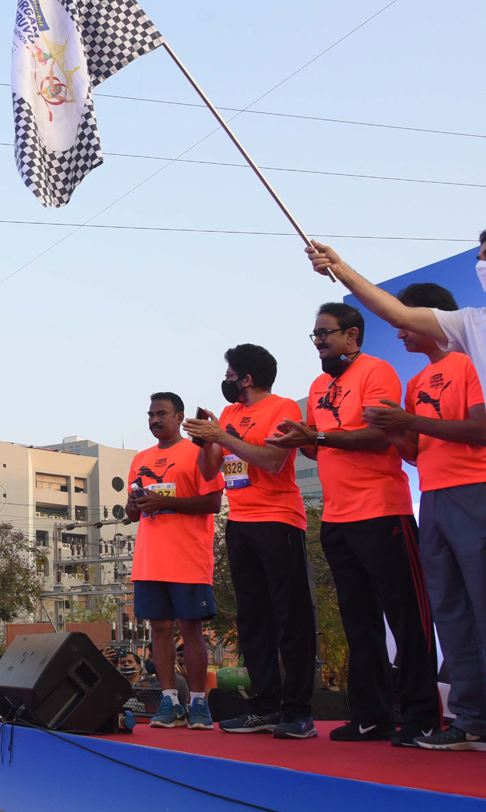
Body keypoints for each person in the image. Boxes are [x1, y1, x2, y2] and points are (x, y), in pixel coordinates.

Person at [267, 303, 441, 746]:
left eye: (326, 332)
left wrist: (318, 437)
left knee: (406, 619)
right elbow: (318, 447)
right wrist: (300, 439)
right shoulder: (319, 384)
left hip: (382, 510)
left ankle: (423, 716)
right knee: (358, 621)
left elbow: (381, 434)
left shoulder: (377, 372)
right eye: (315, 335)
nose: (320, 341)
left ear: (353, 336)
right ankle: (371, 715)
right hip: (337, 517)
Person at [362, 283, 486, 751]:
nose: (400, 334)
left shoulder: (472, 361)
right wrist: (393, 429)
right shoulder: (417, 383)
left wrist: (409, 422)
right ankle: (470, 718)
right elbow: (416, 452)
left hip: (475, 491)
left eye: (405, 323)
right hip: (431, 498)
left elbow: (480, 430)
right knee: (450, 611)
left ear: (430, 318)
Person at [185, 344, 318, 739]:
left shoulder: (282, 409)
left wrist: (222, 435)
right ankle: (265, 706)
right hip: (240, 522)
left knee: (290, 617)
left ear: (247, 378)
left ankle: (299, 711)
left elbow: (273, 461)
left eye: (230, 374)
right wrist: (208, 441)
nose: (225, 380)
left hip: (279, 520)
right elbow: (211, 471)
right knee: (253, 619)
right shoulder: (228, 414)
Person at [127, 392, 225, 729]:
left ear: (180, 417)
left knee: (191, 628)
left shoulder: (198, 452)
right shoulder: (140, 458)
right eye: (150, 414)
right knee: (159, 628)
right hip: (149, 560)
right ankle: (169, 701)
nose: (155, 420)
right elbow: (132, 512)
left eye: (162, 414)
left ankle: (198, 703)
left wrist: (163, 502)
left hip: (188, 557)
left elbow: (213, 502)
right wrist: (137, 503)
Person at [306, 236, 486, 394]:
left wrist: (411, 422)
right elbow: (398, 315)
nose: (481, 265)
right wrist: (340, 269)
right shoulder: (470, 323)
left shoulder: (464, 365)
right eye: (480, 258)